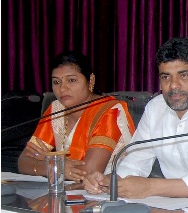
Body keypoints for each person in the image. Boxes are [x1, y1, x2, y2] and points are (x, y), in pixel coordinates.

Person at [84, 37, 188, 199]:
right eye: (166, 77)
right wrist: (110, 181)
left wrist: (151, 187)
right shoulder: (155, 108)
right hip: (178, 210)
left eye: (183, 75)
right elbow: (136, 161)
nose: (173, 85)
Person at [18, 51, 135, 182]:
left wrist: (50, 163)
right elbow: (23, 162)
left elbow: (88, 173)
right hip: (68, 188)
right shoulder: (56, 109)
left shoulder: (109, 111)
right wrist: (54, 166)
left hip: (107, 190)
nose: (62, 88)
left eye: (71, 80)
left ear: (91, 80)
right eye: (56, 82)